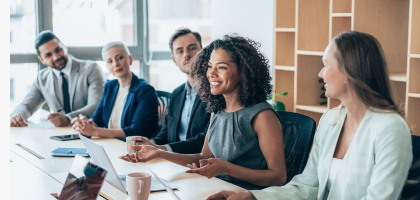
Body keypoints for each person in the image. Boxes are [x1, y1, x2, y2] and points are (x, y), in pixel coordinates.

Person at [207, 31, 413, 200]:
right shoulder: (331, 120)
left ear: (350, 70)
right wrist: (252, 197)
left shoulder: (390, 128)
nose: (320, 74)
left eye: (325, 64)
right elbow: (307, 186)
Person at [120, 34, 287, 190]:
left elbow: (278, 177)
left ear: (243, 71)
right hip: (215, 187)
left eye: (221, 67)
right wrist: (159, 152)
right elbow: (203, 158)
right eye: (209, 66)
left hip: (245, 194)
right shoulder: (218, 109)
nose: (211, 74)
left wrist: (226, 168)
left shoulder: (262, 116)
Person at [127, 28, 211, 153]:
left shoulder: (214, 92)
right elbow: (167, 131)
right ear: (174, 60)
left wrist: (162, 149)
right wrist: (152, 143)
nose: (186, 54)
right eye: (180, 51)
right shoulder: (176, 94)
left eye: (192, 48)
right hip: (171, 160)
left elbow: (206, 139)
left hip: (198, 163)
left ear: (202, 52)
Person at [10, 30, 105, 127]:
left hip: (93, 133)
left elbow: (96, 105)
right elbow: (27, 105)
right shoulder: (42, 78)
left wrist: (68, 118)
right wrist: (17, 115)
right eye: (48, 55)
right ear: (41, 59)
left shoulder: (91, 68)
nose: (56, 57)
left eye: (58, 50)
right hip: (60, 135)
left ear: (64, 46)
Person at [71, 41, 158, 139]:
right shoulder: (110, 86)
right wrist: (86, 124)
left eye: (120, 58)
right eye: (110, 61)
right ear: (107, 66)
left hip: (133, 148)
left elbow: (136, 130)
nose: (116, 64)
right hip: (110, 143)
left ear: (130, 59)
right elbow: (97, 118)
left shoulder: (145, 90)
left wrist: (95, 131)